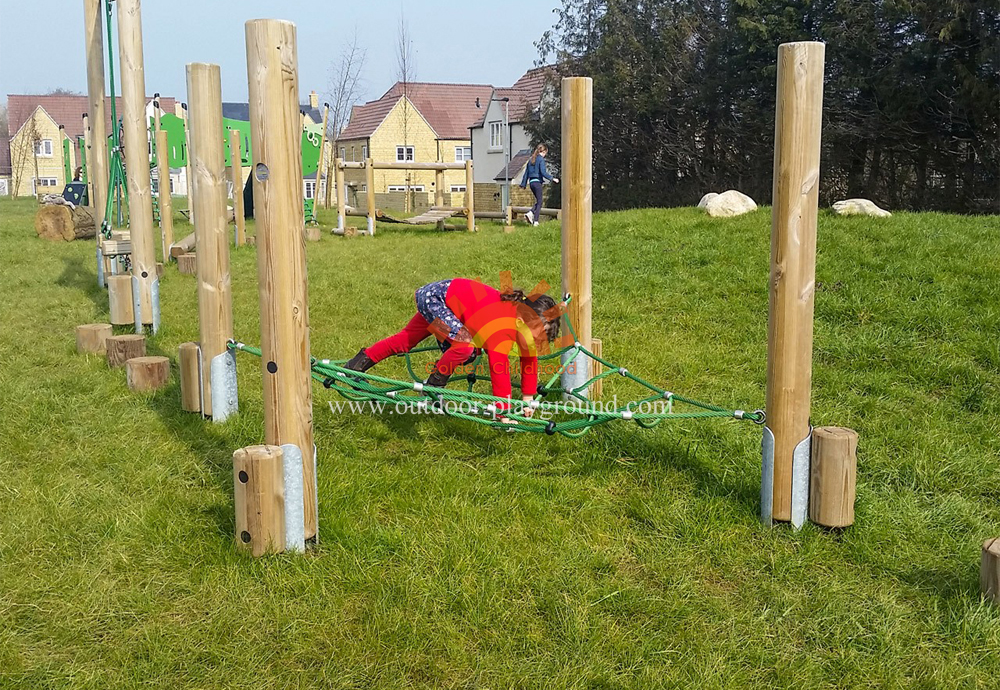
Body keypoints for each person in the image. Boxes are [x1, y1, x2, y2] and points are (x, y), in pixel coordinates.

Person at [343, 278, 562, 418]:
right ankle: (433, 387)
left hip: (448, 303)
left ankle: (355, 365)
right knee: (465, 347)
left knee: (405, 340)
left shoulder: (521, 329)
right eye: (540, 333)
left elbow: (528, 361)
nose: (538, 341)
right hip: (436, 299)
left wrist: (527, 398)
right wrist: (502, 411)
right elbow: (498, 367)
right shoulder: (501, 327)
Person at [519, 144, 559, 226]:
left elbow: (526, 174)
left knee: (538, 201)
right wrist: (552, 178)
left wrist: (523, 184)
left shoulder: (531, 160)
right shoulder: (540, 160)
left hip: (531, 183)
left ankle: (530, 213)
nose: (545, 156)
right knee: (540, 202)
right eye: (545, 154)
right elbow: (543, 172)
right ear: (544, 152)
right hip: (537, 183)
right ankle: (535, 221)